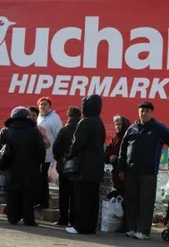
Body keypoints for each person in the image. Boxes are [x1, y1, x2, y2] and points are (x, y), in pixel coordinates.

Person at [118, 101, 169, 240]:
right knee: (131, 200)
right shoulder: (131, 129)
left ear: (152, 113)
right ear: (138, 112)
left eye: (147, 111)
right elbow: (122, 149)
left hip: (149, 172)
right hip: (131, 171)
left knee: (146, 201)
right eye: (142, 111)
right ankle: (132, 228)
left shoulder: (158, 128)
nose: (144, 113)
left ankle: (143, 231)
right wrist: (121, 168)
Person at [65, 94, 106, 235]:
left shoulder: (85, 122)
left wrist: (68, 155)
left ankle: (80, 226)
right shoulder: (99, 122)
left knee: (81, 199)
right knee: (92, 199)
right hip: (96, 167)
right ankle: (89, 227)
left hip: (84, 167)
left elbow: (77, 144)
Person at [0, 107, 46, 226]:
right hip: (30, 168)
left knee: (12, 192)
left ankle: (13, 217)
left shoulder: (6, 130)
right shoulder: (34, 130)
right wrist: (37, 163)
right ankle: (28, 219)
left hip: (11, 168)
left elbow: (1, 149)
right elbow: (41, 151)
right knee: (28, 192)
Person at [53, 106, 82, 227]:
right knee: (75, 195)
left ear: (68, 116)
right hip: (78, 167)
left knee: (63, 195)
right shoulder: (82, 130)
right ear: (80, 116)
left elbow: (56, 148)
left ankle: (63, 219)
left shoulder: (64, 130)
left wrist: (60, 159)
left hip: (64, 167)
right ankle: (73, 219)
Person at [36, 96, 63, 209]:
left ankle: (44, 202)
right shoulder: (38, 117)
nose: (43, 106)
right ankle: (39, 201)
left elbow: (59, 135)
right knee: (39, 178)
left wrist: (57, 153)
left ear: (50, 106)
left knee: (44, 178)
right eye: (41, 104)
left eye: (45, 104)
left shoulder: (54, 118)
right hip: (39, 154)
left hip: (49, 154)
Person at [105, 115, 131, 196]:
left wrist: (117, 158)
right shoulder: (114, 139)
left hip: (127, 177)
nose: (117, 126)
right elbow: (106, 153)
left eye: (120, 124)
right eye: (116, 124)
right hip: (116, 177)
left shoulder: (130, 139)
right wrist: (110, 157)